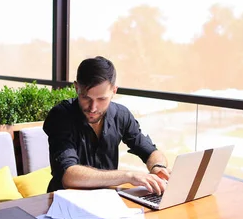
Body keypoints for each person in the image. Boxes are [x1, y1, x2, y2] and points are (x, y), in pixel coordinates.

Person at [44, 56, 170, 194]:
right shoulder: (61, 116)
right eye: (86, 97)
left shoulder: (121, 115)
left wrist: (158, 167)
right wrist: (128, 176)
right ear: (76, 88)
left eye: (102, 99)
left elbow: (150, 151)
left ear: (114, 91)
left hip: (106, 200)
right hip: (63, 204)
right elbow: (68, 175)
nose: (93, 107)